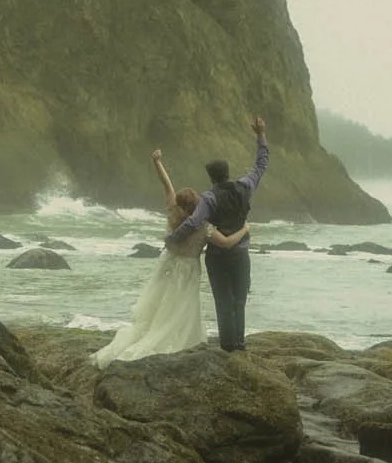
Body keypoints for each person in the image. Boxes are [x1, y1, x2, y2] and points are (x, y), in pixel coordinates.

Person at [93, 148, 249, 367]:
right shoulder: (204, 227)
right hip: (188, 271)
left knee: (163, 304)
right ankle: (178, 340)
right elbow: (226, 243)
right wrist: (245, 229)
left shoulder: (173, 212)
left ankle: (155, 333)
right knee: (182, 308)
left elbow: (166, 184)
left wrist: (157, 161)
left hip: (168, 265)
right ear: (198, 206)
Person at [165, 114, 268, 351]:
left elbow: (193, 224)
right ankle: (240, 344)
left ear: (211, 177)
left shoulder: (209, 198)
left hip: (218, 257)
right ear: (228, 172)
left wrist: (171, 239)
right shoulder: (246, 186)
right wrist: (260, 134)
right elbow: (261, 165)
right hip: (241, 253)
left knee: (223, 301)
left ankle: (227, 346)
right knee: (239, 301)